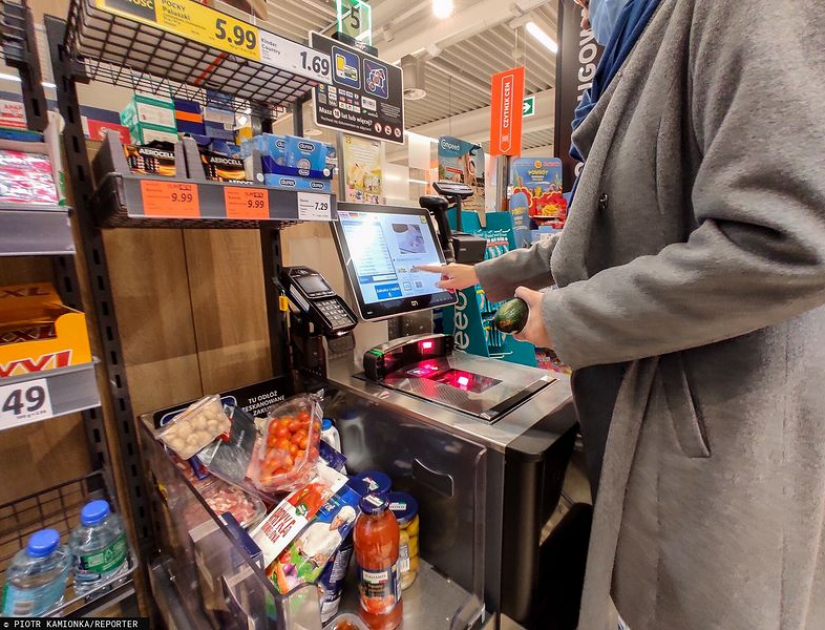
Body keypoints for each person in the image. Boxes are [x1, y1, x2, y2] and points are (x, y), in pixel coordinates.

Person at [419, 1, 825, 629]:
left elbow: (791, 234)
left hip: (719, 439)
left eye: (587, 3)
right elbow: (593, 235)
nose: (584, 17)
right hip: (656, 420)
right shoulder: (644, 52)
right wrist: (484, 274)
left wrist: (567, 319)